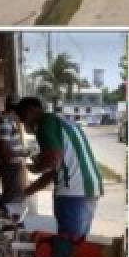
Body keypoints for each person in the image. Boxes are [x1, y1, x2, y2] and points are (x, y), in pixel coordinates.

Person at [17, 97, 104, 239]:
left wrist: (37, 167)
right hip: (89, 189)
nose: (23, 123)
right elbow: (55, 169)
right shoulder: (62, 122)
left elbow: (53, 160)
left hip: (73, 193)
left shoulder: (44, 123)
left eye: (22, 117)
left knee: (68, 245)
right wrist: (28, 190)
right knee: (79, 243)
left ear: (30, 111)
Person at [0, 94, 30, 209]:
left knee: (14, 195)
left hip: (13, 165)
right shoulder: (6, 121)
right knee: (11, 196)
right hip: (10, 166)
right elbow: (5, 150)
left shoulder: (9, 120)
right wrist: (25, 153)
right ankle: (6, 219)